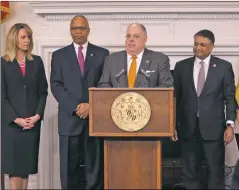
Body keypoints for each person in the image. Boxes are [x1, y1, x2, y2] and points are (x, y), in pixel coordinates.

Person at [50, 15, 109, 189]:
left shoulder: (102, 54)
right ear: (70, 30)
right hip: (69, 121)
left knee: (95, 171)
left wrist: (92, 106)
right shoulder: (59, 55)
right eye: (74, 28)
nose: (78, 32)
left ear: (88, 30)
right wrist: (78, 107)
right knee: (69, 171)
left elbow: (105, 83)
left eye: (82, 28)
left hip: (95, 121)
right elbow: (56, 85)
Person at [172, 29, 236, 189]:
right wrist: (172, 125)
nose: (198, 47)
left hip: (213, 129)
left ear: (211, 46)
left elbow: (230, 98)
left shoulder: (223, 67)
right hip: (187, 127)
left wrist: (230, 125)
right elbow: (175, 99)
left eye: (202, 44)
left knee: (215, 172)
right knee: (189, 172)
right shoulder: (181, 67)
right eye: (196, 44)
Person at [1, 23, 48, 190]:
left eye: (28, 36)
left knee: (25, 169)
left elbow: (43, 92)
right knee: (14, 171)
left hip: (31, 124)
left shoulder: (37, 62)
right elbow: (2, 96)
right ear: (14, 39)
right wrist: (16, 119)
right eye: (23, 37)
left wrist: (36, 116)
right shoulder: (3, 63)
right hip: (12, 125)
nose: (27, 40)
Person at [97, 23, 173, 88]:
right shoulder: (111, 60)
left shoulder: (159, 59)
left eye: (136, 36)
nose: (131, 39)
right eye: (128, 36)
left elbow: (166, 86)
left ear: (145, 39)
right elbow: (103, 85)